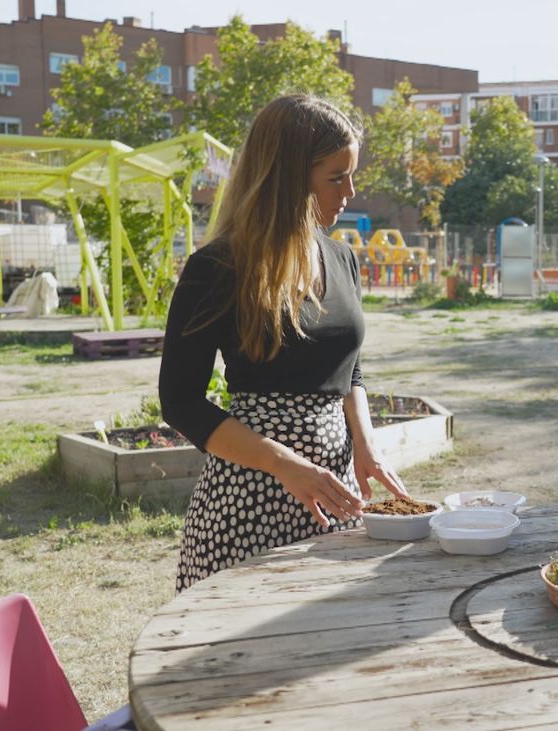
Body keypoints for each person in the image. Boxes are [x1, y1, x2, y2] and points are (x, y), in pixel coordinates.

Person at [159, 95, 407, 592]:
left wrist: (366, 445)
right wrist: (284, 464)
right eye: (335, 177)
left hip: (332, 495)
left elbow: (349, 371)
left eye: (351, 175)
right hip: (250, 498)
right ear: (289, 177)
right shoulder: (218, 268)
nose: (350, 192)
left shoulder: (343, 259)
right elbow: (179, 401)